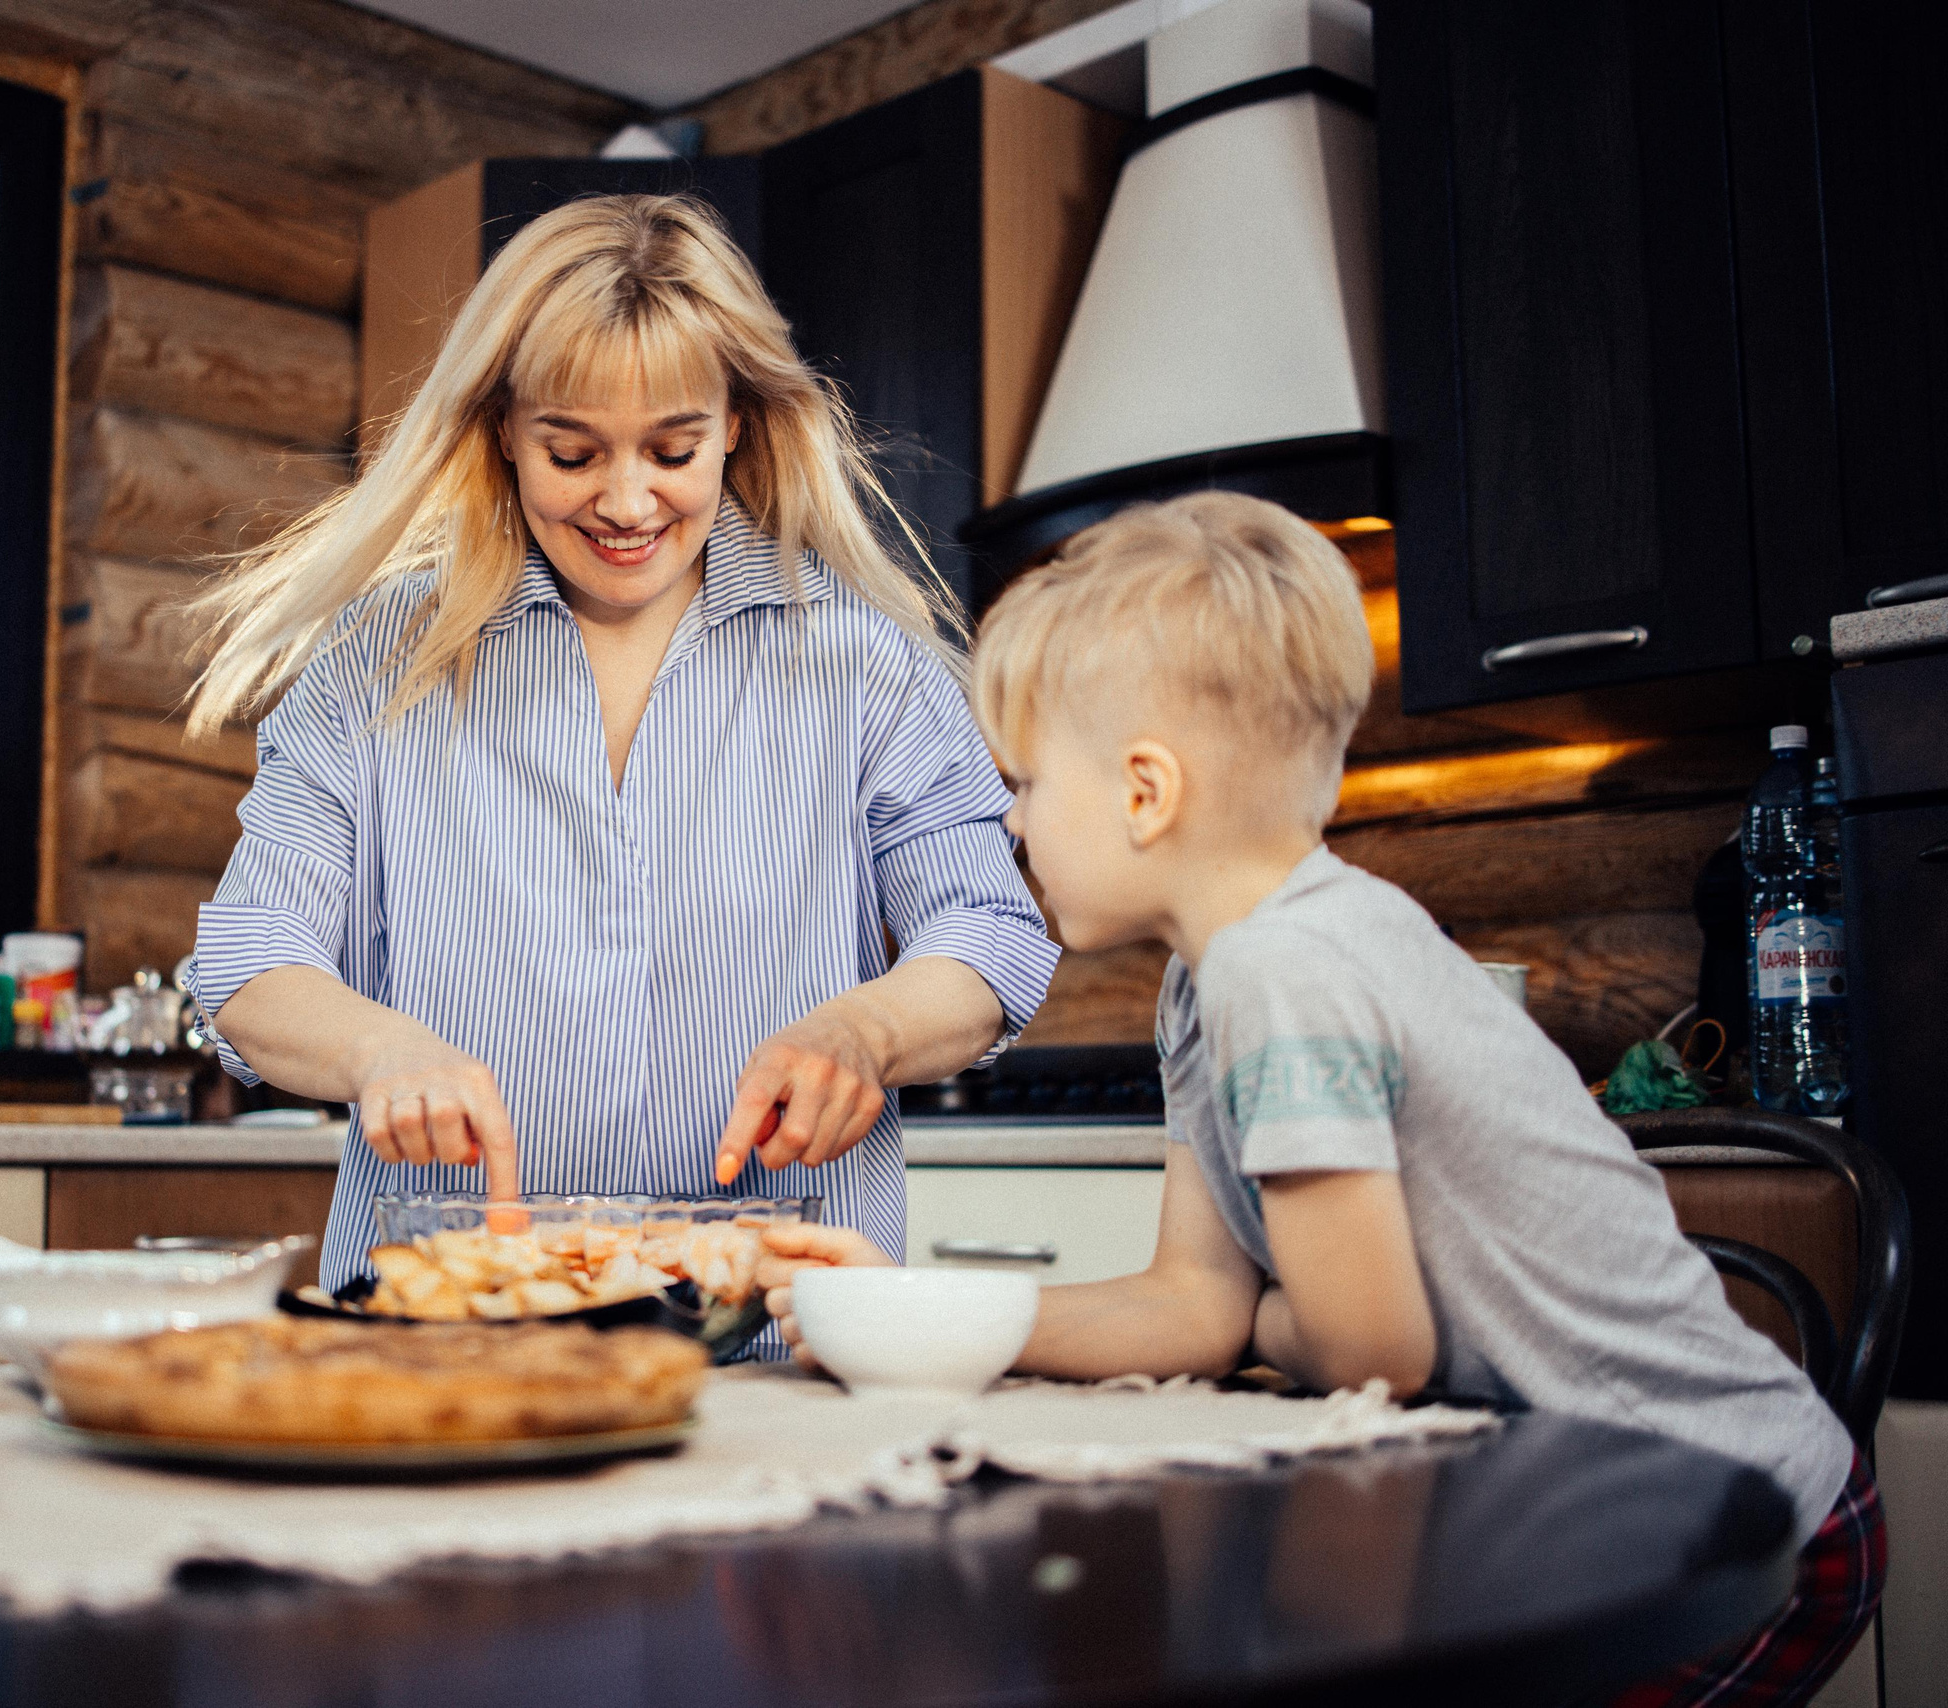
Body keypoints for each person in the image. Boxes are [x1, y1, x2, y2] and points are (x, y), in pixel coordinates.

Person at [762, 491, 1881, 1702]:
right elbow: (1190, 1306)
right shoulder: (1209, 980)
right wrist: (909, 1313)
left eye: (1025, 783)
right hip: (1585, 1497)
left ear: (1145, 791)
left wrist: (1265, 1324)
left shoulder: (1280, 970)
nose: (1014, 824)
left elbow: (1369, 1349)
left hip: (1728, 1518)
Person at [180, 194, 1059, 1323]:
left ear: (737, 420)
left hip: (779, 1333)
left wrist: (866, 1031)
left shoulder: (862, 664)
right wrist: (375, 1047)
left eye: (673, 447)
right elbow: (251, 958)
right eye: (572, 449)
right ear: (500, 426)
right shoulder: (372, 663)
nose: (628, 500)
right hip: (460, 1326)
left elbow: (988, 935)